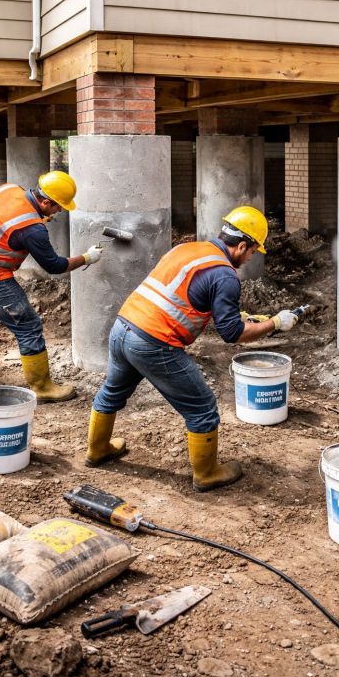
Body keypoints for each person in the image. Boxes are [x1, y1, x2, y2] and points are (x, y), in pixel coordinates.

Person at [85, 206, 301, 491]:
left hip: (123, 328)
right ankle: (207, 473)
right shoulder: (225, 275)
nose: (250, 258)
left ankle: (97, 449)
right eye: (252, 252)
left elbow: (188, 296)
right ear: (240, 246)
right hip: (155, 342)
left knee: (112, 392)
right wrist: (274, 323)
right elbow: (232, 333)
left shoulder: (188, 250)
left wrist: (243, 316)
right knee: (202, 409)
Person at [0, 171, 102, 401]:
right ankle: (42, 388)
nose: (60, 211)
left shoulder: (8, 189)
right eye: (57, 207)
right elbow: (53, 266)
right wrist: (86, 258)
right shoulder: (31, 228)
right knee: (28, 326)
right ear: (45, 202)